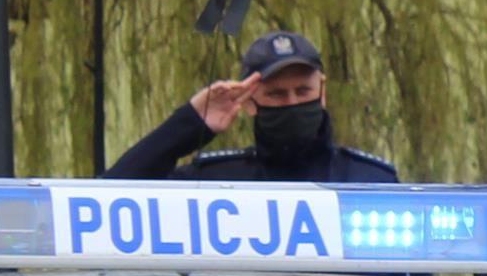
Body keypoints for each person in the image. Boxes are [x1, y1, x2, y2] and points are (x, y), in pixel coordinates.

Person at [105, 30, 401, 183]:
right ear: (249, 103)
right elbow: (111, 196)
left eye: (303, 91)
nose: (292, 103)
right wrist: (191, 123)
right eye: (276, 95)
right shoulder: (215, 181)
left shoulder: (371, 181)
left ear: (322, 92)